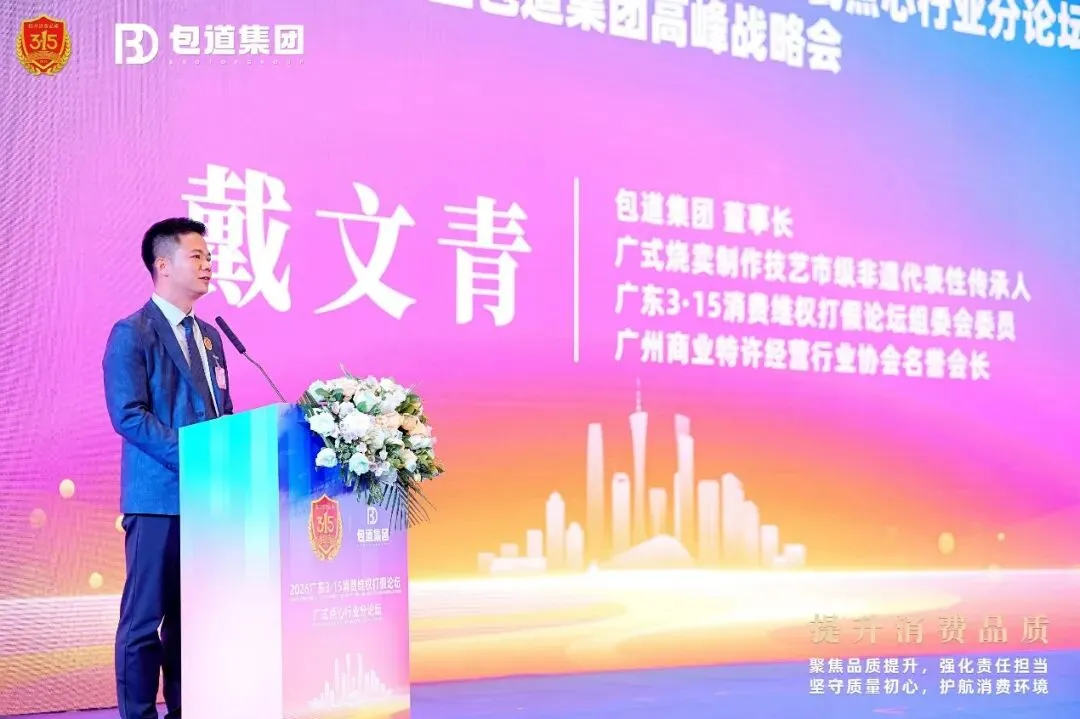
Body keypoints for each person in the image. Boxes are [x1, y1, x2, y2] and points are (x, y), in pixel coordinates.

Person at [103, 218, 234, 719]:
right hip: (157, 498)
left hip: (207, 500)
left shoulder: (211, 338)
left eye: (208, 257)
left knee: (190, 622)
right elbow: (128, 415)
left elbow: (220, 412)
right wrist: (194, 455)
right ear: (163, 264)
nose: (207, 265)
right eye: (196, 256)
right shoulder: (132, 332)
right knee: (143, 623)